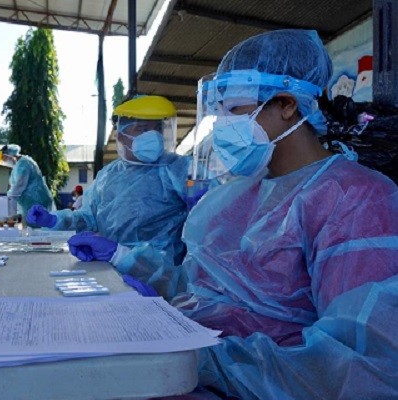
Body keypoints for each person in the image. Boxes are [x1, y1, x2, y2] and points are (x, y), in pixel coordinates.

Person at [67, 30, 398, 399]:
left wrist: (201, 360)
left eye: (234, 109)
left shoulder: (356, 199)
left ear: (287, 104)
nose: (222, 124)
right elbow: (205, 288)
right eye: (218, 110)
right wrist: (124, 258)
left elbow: (359, 364)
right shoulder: (236, 194)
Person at [28, 95, 191, 270]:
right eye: (142, 128)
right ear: (121, 135)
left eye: (158, 128)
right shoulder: (108, 175)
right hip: (111, 266)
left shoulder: (180, 169)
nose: (154, 136)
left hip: (165, 275)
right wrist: (55, 220)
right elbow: (88, 217)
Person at [0, 144, 53, 224]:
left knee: (35, 231)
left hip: (36, 200)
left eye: (4, 159)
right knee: (29, 229)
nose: (5, 162)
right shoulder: (17, 165)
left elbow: (20, 185)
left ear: (10, 155)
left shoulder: (24, 164)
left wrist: (9, 199)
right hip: (30, 202)